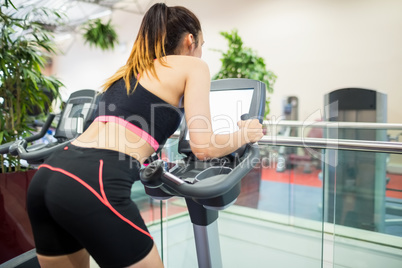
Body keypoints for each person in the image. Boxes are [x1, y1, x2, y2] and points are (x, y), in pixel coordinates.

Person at [26, 3, 263, 268]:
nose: (200, 52)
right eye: (201, 45)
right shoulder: (192, 66)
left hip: (49, 175)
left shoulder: (126, 74)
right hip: (93, 182)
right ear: (190, 40)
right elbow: (204, 147)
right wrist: (244, 133)